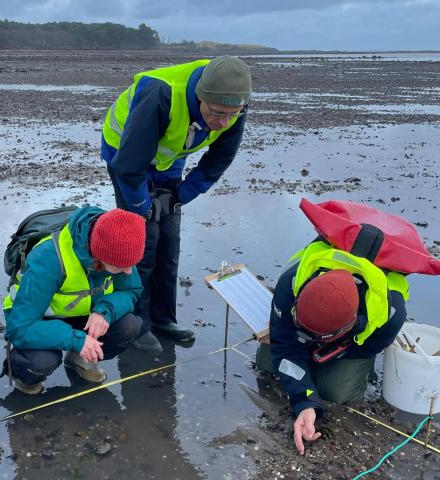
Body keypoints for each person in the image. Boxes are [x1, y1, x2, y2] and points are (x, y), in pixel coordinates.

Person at [101, 55, 252, 353]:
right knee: (143, 243)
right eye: (217, 113)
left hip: (168, 160)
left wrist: (180, 195)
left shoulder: (234, 102)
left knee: (169, 241)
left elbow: (218, 160)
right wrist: (143, 205)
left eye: (232, 115)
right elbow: (128, 166)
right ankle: (137, 324)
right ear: (200, 97)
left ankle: (162, 319)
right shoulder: (160, 93)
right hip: (126, 156)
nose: (223, 122)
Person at [256, 241, 408, 455]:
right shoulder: (290, 283)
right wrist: (305, 401)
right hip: (320, 323)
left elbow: (363, 349)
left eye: (313, 335)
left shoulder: (390, 316)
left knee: (334, 391)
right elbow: (285, 345)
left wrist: (324, 354)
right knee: (267, 361)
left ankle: (348, 364)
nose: (304, 338)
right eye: (301, 325)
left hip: (355, 343)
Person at [3, 207, 144, 394]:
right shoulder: (49, 258)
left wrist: (105, 311)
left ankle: (78, 359)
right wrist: (75, 339)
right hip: (37, 320)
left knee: (129, 326)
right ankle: (25, 378)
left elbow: (131, 291)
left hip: (83, 314)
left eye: (131, 265)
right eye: (121, 267)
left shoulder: (120, 248)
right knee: (39, 362)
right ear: (99, 256)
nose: (128, 272)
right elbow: (19, 327)